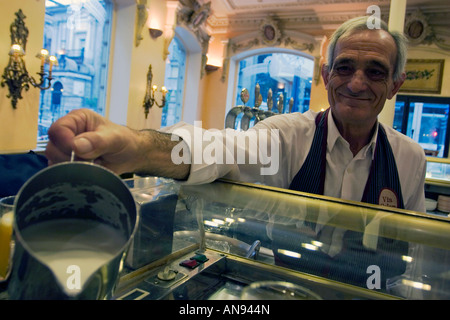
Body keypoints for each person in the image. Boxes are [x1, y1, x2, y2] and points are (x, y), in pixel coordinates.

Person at [45, 15, 426, 213]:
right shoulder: (287, 136)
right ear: (326, 76)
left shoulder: (410, 158)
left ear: (395, 84)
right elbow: (218, 149)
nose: (357, 83)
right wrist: (137, 148)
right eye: (344, 67)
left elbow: (415, 249)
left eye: (375, 71)